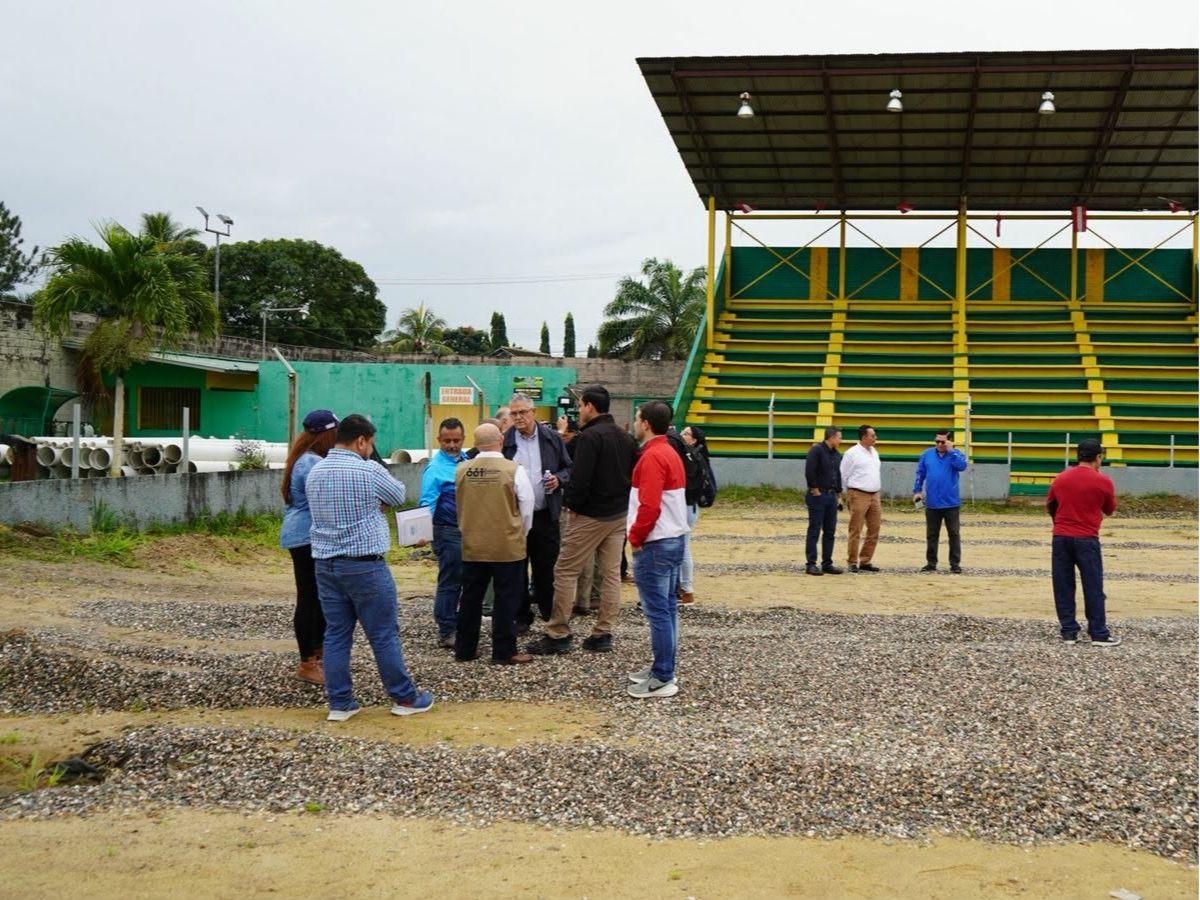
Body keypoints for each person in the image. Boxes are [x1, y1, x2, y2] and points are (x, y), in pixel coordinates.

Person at [306, 414, 434, 721]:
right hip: (365, 564)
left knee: (336, 634)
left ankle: (340, 703)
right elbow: (399, 495)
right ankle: (403, 697)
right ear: (362, 440)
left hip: (325, 562)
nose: (370, 449)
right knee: (383, 634)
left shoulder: (315, 470)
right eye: (370, 443)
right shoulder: (369, 470)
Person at [527, 385, 638, 655]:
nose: (578, 410)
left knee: (565, 571)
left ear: (590, 406)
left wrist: (572, 506)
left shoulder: (590, 437)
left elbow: (580, 478)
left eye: (580, 405)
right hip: (617, 514)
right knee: (611, 573)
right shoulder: (626, 438)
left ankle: (558, 632)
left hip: (589, 514)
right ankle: (603, 632)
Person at [454, 423, 536, 664]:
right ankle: (503, 650)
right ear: (501, 439)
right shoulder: (513, 470)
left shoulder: (462, 470)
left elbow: (460, 505)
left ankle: (465, 649)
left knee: (470, 598)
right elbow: (527, 506)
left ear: (476, 444)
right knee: (506, 600)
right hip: (507, 546)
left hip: (473, 544)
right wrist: (521, 532)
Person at [625, 401, 690, 698]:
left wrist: (636, 537)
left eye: (637, 418)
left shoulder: (652, 456)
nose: (635, 423)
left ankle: (663, 675)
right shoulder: (670, 452)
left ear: (646, 423)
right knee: (667, 609)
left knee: (659, 612)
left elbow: (649, 506)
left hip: (656, 542)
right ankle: (663, 668)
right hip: (672, 539)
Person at [502, 392, 572, 631]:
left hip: (545, 514)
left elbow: (568, 468)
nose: (519, 417)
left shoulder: (552, 438)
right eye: (514, 413)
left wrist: (559, 480)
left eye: (523, 412)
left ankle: (548, 612)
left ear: (533, 412)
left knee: (546, 568)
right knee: (516, 568)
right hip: (515, 518)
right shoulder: (504, 441)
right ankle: (522, 616)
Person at [279, 409, 340, 685]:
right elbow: (327, 499)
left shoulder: (304, 459)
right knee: (309, 598)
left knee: (317, 597)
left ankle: (317, 653)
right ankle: (307, 662)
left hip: (304, 535)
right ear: (326, 435)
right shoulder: (312, 464)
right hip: (306, 537)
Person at [1046, 438, 1120, 646]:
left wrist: (1059, 523)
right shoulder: (1103, 480)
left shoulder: (1060, 478)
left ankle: (1069, 631)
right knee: (1093, 585)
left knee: (1063, 584)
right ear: (1098, 457)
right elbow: (1109, 509)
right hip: (1087, 537)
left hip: (1061, 537)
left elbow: (1051, 504)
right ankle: (1098, 632)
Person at [419, 418, 467, 647]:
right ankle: (447, 630)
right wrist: (421, 531)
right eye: (446, 441)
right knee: (450, 581)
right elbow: (427, 502)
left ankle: (461, 624)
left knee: (465, 579)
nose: (452, 445)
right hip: (447, 531)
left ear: (463, 440)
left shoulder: (467, 461)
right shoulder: (435, 469)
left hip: (467, 530)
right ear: (439, 440)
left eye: (456, 440)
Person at [914, 429, 968, 574]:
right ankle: (931, 563)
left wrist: (951, 451)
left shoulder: (956, 454)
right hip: (932, 502)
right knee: (932, 534)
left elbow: (962, 466)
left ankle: (955, 564)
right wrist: (917, 491)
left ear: (949, 441)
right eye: (936, 441)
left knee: (954, 534)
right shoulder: (927, 454)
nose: (939, 444)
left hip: (951, 502)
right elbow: (920, 473)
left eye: (942, 441)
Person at [677, 425, 714, 604]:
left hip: (686, 506)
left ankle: (686, 589)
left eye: (686, 433)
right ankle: (683, 588)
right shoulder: (699, 456)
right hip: (691, 507)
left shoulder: (690, 458)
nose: (681, 435)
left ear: (694, 439)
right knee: (682, 546)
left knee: (682, 547)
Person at [841, 424, 883, 573]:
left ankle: (865, 560)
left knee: (874, 528)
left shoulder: (874, 452)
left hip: (874, 494)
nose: (875, 438)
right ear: (864, 437)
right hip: (858, 493)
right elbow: (844, 474)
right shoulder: (851, 453)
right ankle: (852, 561)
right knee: (856, 529)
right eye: (873, 435)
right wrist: (845, 494)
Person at [804, 426, 843, 576]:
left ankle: (827, 563)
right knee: (814, 530)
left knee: (830, 531)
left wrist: (839, 493)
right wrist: (815, 489)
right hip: (818, 495)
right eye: (839, 437)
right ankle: (811, 563)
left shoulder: (836, 454)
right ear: (831, 437)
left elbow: (837, 474)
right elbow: (810, 470)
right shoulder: (817, 450)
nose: (840, 440)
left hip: (831, 496)